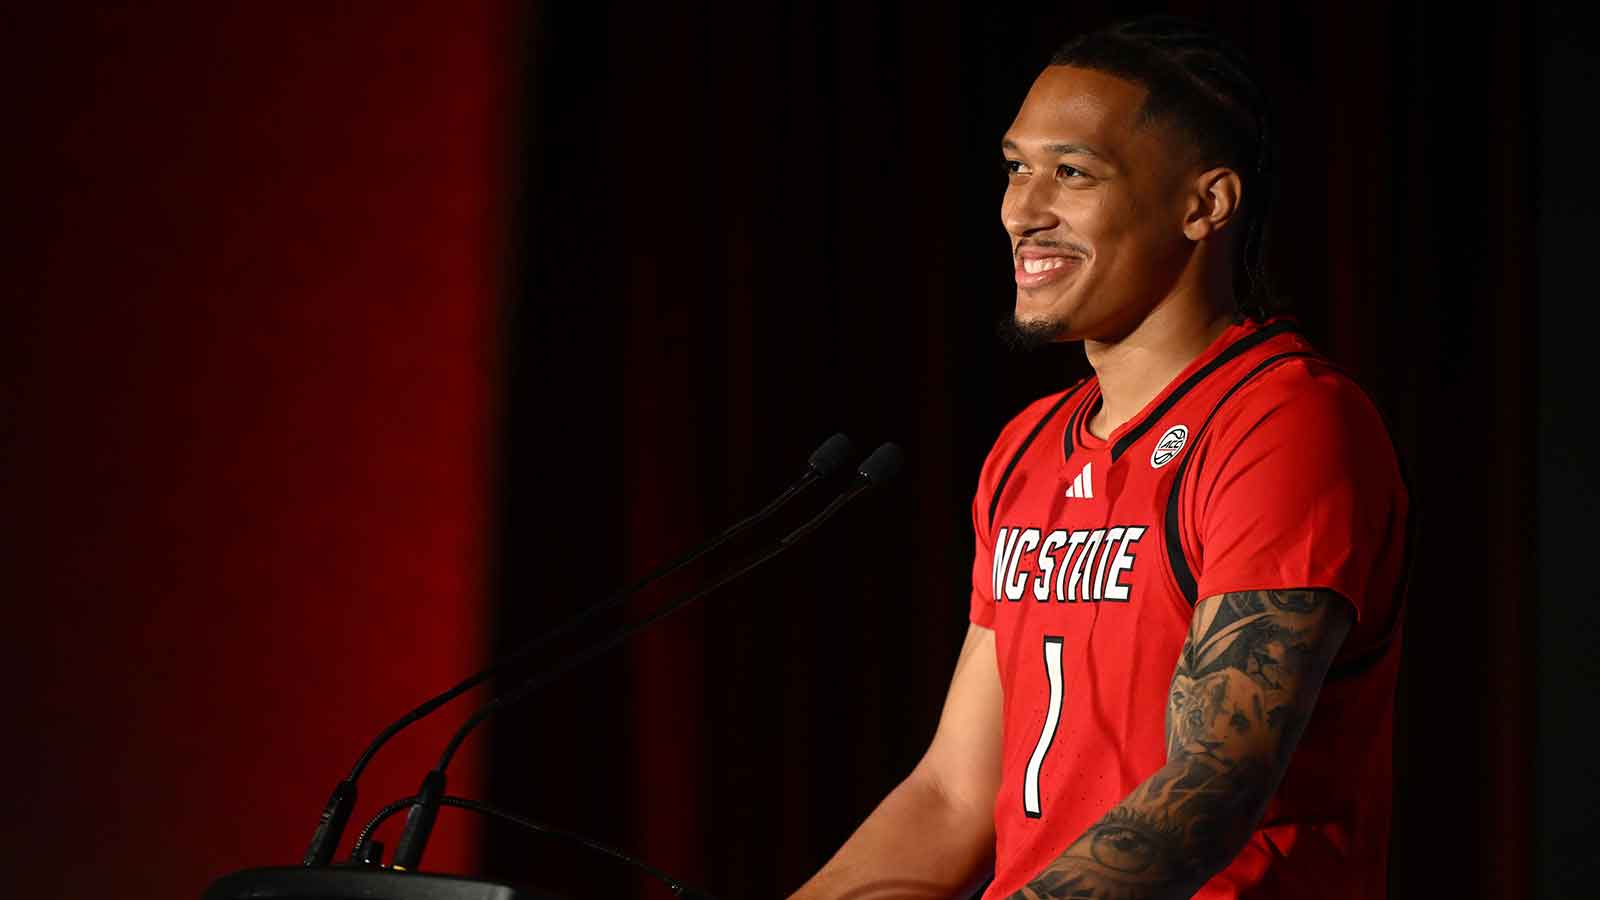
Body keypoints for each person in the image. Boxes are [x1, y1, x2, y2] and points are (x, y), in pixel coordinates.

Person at [789, 16, 1409, 900]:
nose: (1020, 210)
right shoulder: (1030, 446)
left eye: (1071, 172)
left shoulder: (1285, 421)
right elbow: (952, 794)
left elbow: (1213, 783)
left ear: (1205, 204)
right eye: (1015, 167)